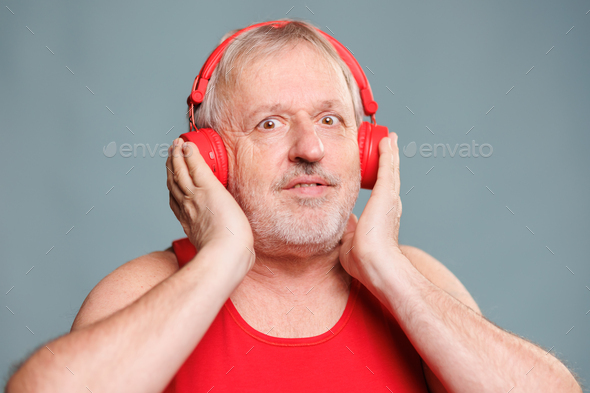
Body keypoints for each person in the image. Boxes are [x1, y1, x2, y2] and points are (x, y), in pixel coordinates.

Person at [6, 19, 582, 393]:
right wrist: (223, 258)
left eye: (332, 121)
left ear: (368, 152)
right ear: (213, 160)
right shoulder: (143, 290)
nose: (310, 148)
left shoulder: (417, 282)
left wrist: (387, 270)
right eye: (271, 123)